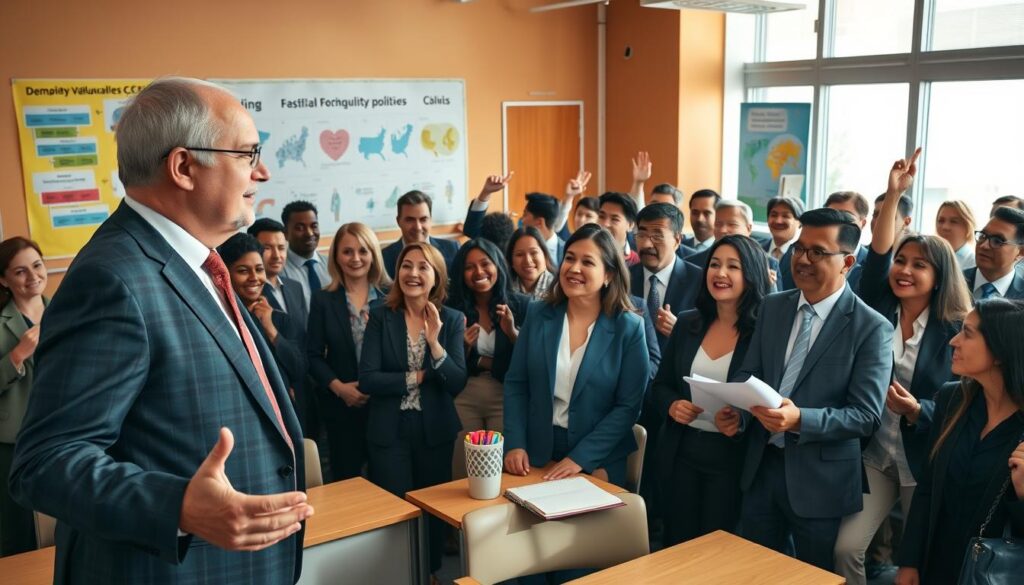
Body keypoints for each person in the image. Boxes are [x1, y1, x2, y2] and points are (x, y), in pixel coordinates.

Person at [10, 77, 310, 584]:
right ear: (184, 167)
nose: (262, 171)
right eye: (246, 153)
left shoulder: (199, 260)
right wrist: (179, 508)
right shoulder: (113, 279)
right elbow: (44, 463)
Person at [718, 207, 893, 571]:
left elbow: (866, 416)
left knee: (813, 575)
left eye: (817, 252)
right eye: (800, 248)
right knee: (753, 570)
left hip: (821, 480)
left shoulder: (870, 327)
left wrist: (800, 419)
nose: (803, 259)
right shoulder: (773, 306)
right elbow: (750, 372)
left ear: (847, 261)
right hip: (762, 467)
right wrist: (737, 412)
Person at [834, 149, 973, 585]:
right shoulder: (878, 308)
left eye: (918, 265)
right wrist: (893, 194)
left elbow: (965, 403)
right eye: (901, 261)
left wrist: (918, 410)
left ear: (941, 275)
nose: (904, 270)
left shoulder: (956, 328)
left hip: (925, 460)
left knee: (919, 563)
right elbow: (876, 254)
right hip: (875, 455)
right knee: (845, 549)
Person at [503, 224, 650, 487]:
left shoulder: (628, 327)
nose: (574, 268)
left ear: (608, 275)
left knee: (580, 518)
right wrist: (515, 443)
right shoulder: (538, 314)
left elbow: (628, 407)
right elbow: (516, 384)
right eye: (569, 258)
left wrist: (580, 458)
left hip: (598, 452)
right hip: (537, 447)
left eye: (587, 262)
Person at [895, 299, 1024, 585]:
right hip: (935, 565)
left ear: (1001, 350)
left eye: (967, 333)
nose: (954, 341)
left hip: (991, 575)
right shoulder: (952, 400)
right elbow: (927, 488)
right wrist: (909, 561)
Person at [654, 235, 772, 546]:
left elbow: (772, 395)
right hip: (682, 452)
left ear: (752, 275)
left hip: (732, 458)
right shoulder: (688, 323)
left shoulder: (764, 333)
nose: (720, 274)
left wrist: (741, 420)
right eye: (715, 264)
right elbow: (661, 385)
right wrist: (672, 405)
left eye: (733, 266)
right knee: (677, 545)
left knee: (716, 549)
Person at [359, 242, 466, 577]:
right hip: (389, 429)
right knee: (397, 510)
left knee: (431, 511)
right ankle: (400, 576)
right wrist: (418, 376)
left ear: (436, 276)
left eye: (423, 267)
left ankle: (432, 572)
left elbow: (456, 382)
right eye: (407, 265)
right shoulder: (380, 314)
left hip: (434, 430)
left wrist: (435, 344)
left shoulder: (451, 319)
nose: (413, 273)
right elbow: (368, 379)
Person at [306, 222, 390, 482]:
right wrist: (340, 389)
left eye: (363, 251)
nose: (356, 258)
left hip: (385, 404)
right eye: (347, 251)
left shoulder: (392, 296)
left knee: (386, 481)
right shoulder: (322, 299)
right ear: (336, 257)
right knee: (347, 482)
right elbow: (313, 355)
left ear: (373, 254)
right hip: (342, 407)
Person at [446, 238, 530, 477]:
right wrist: (463, 346)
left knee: (503, 470)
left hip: (506, 394)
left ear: (498, 266)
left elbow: (531, 357)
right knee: (464, 470)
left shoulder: (521, 304)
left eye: (485, 264)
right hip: (465, 393)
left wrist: (513, 333)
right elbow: (444, 361)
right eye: (470, 267)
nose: (479, 272)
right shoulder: (452, 308)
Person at [217, 233, 307, 413]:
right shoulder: (221, 322)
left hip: (283, 413)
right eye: (243, 271)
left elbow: (299, 369)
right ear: (225, 273)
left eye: (259, 269)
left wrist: (271, 330)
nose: (254, 277)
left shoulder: (280, 319)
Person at [0, 237, 47, 556]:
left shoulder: (67, 311)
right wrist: (17, 355)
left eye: (37, 265)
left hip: (60, 432)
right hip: (13, 440)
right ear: (4, 280)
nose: (32, 277)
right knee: (18, 531)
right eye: (20, 271)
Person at [630, 203, 703, 349]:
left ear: (677, 240)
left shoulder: (700, 280)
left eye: (657, 236)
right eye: (642, 235)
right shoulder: (624, 277)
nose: (646, 244)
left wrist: (680, 332)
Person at [686, 199, 780, 288]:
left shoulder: (768, 264)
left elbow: (777, 302)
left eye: (732, 224)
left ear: (749, 228)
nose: (723, 230)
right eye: (718, 224)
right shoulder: (693, 263)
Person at [382, 190, 460, 278]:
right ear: (398, 221)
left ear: (431, 220)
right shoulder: (383, 258)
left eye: (423, 219)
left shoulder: (452, 250)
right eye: (410, 220)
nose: (418, 227)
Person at [248, 218, 308, 329]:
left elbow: (305, 333)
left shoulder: (295, 287)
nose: (276, 256)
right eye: (267, 248)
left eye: (281, 248)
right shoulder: (248, 291)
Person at [964, 206, 1024, 301]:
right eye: (983, 236)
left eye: (997, 241)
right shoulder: (952, 282)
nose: (984, 246)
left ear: (1020, 252)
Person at [280, 200, 328, 311]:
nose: (310, 233)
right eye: (300, 228)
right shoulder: (279, 271)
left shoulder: (333, 265)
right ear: (286, 233)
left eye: (314, 226)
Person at [505, 227, 556, 300]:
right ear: (511, 260)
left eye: (534, 252)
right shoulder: (504, 288)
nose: (528, 260)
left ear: (545, 255)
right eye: (520, 254)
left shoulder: (557, 290)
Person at [598, 192, 640, 267]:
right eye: (601, 216)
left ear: (630, 225)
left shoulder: (637, 262)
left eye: (614, 219)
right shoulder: (583, 252)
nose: (605, 224)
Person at [934, 200, 977, 270]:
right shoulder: (930, 257)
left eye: (954, 221)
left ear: (968, 226)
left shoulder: (974, 263)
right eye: (941, 221)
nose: (945, 227)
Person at [765, 196, 804, 261]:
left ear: (799, 222)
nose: (778, 221)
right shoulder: (755, 248)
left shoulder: (802, 255)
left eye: (786, 216)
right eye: (774, 215)